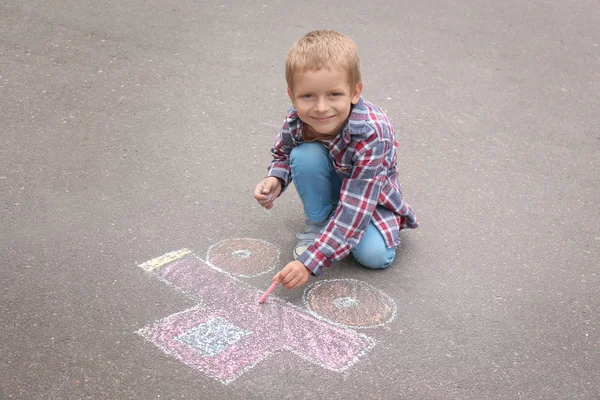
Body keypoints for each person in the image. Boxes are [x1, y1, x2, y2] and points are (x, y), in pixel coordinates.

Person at [254, 30, 418, 290]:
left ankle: (337, 231)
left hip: (367, 198)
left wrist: (310, 262)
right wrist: (276, 177)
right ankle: (319, 224)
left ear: (355, 92)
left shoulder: (373, 133)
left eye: (334, 94)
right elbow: (283, 154)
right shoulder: (297, 118)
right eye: (308, 96)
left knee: (374, 256)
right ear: (292, 95)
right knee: (304, 154)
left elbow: (355, 206)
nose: (320, 108)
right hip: (337, 185)